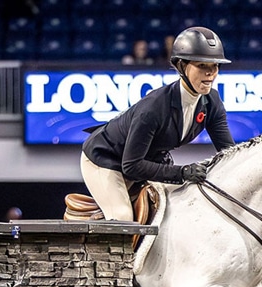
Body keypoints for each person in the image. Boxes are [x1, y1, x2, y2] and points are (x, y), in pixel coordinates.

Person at [81, 26, 234, 221]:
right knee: (123, 217)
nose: (210, 73)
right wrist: (182, 172)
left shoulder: (212, 102)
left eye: (215, 66)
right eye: (202, 66)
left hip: (148, 161)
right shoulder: (153, 108)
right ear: (181, 66)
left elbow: (228, 152)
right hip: (105, 159)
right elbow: (131, 166)